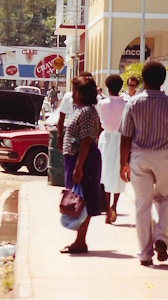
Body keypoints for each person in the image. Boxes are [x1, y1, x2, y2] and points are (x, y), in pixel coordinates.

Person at [120, 61, 168, 267]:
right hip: (165, 156)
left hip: (139, 156)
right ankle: (160, 237)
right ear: (163, 80)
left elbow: (125, 137)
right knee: (165, 198)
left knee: (142, 204)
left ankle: (145, 255)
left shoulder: (133, 103)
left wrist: (124, 163)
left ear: (143, 79)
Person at [60, 76, 103, 255]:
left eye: (74, 91)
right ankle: (79, 240)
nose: (72, 95)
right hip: (78, 158)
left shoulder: (86, 112)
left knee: (82, 201)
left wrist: (79, 166)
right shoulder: (82, 110)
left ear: (80, 93)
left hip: (83, 159)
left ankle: (80, 241)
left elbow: (86, 141)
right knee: (78, 199)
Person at [96, 74, 128, 224]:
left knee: (105, 173)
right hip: (122, 139)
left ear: (107, 88)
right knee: (118, 173)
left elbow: (98, 124)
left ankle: (108, 210)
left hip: (106, 139)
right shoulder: (126, 103)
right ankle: (114, 205)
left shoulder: (102, 104)